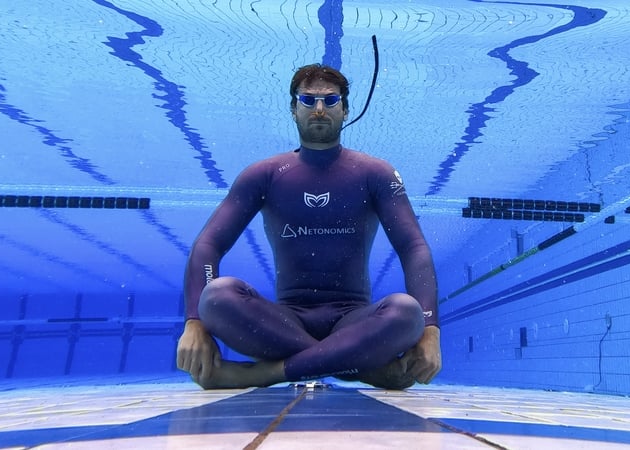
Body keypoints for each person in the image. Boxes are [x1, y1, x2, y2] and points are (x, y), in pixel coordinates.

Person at [176, 63, 441, 390]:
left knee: (407, 312)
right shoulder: (264, 175)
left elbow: (413, 248)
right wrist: (195, 321)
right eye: (308, 100)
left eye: (330, 101)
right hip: (282, 323)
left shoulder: (375, 173)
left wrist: (430, 329)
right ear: (293, 109)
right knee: (216, 296)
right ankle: (359, 370)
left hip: (354, 321)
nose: (319, 109)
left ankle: (263, 373)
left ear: (345, 110)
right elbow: (208, 246)